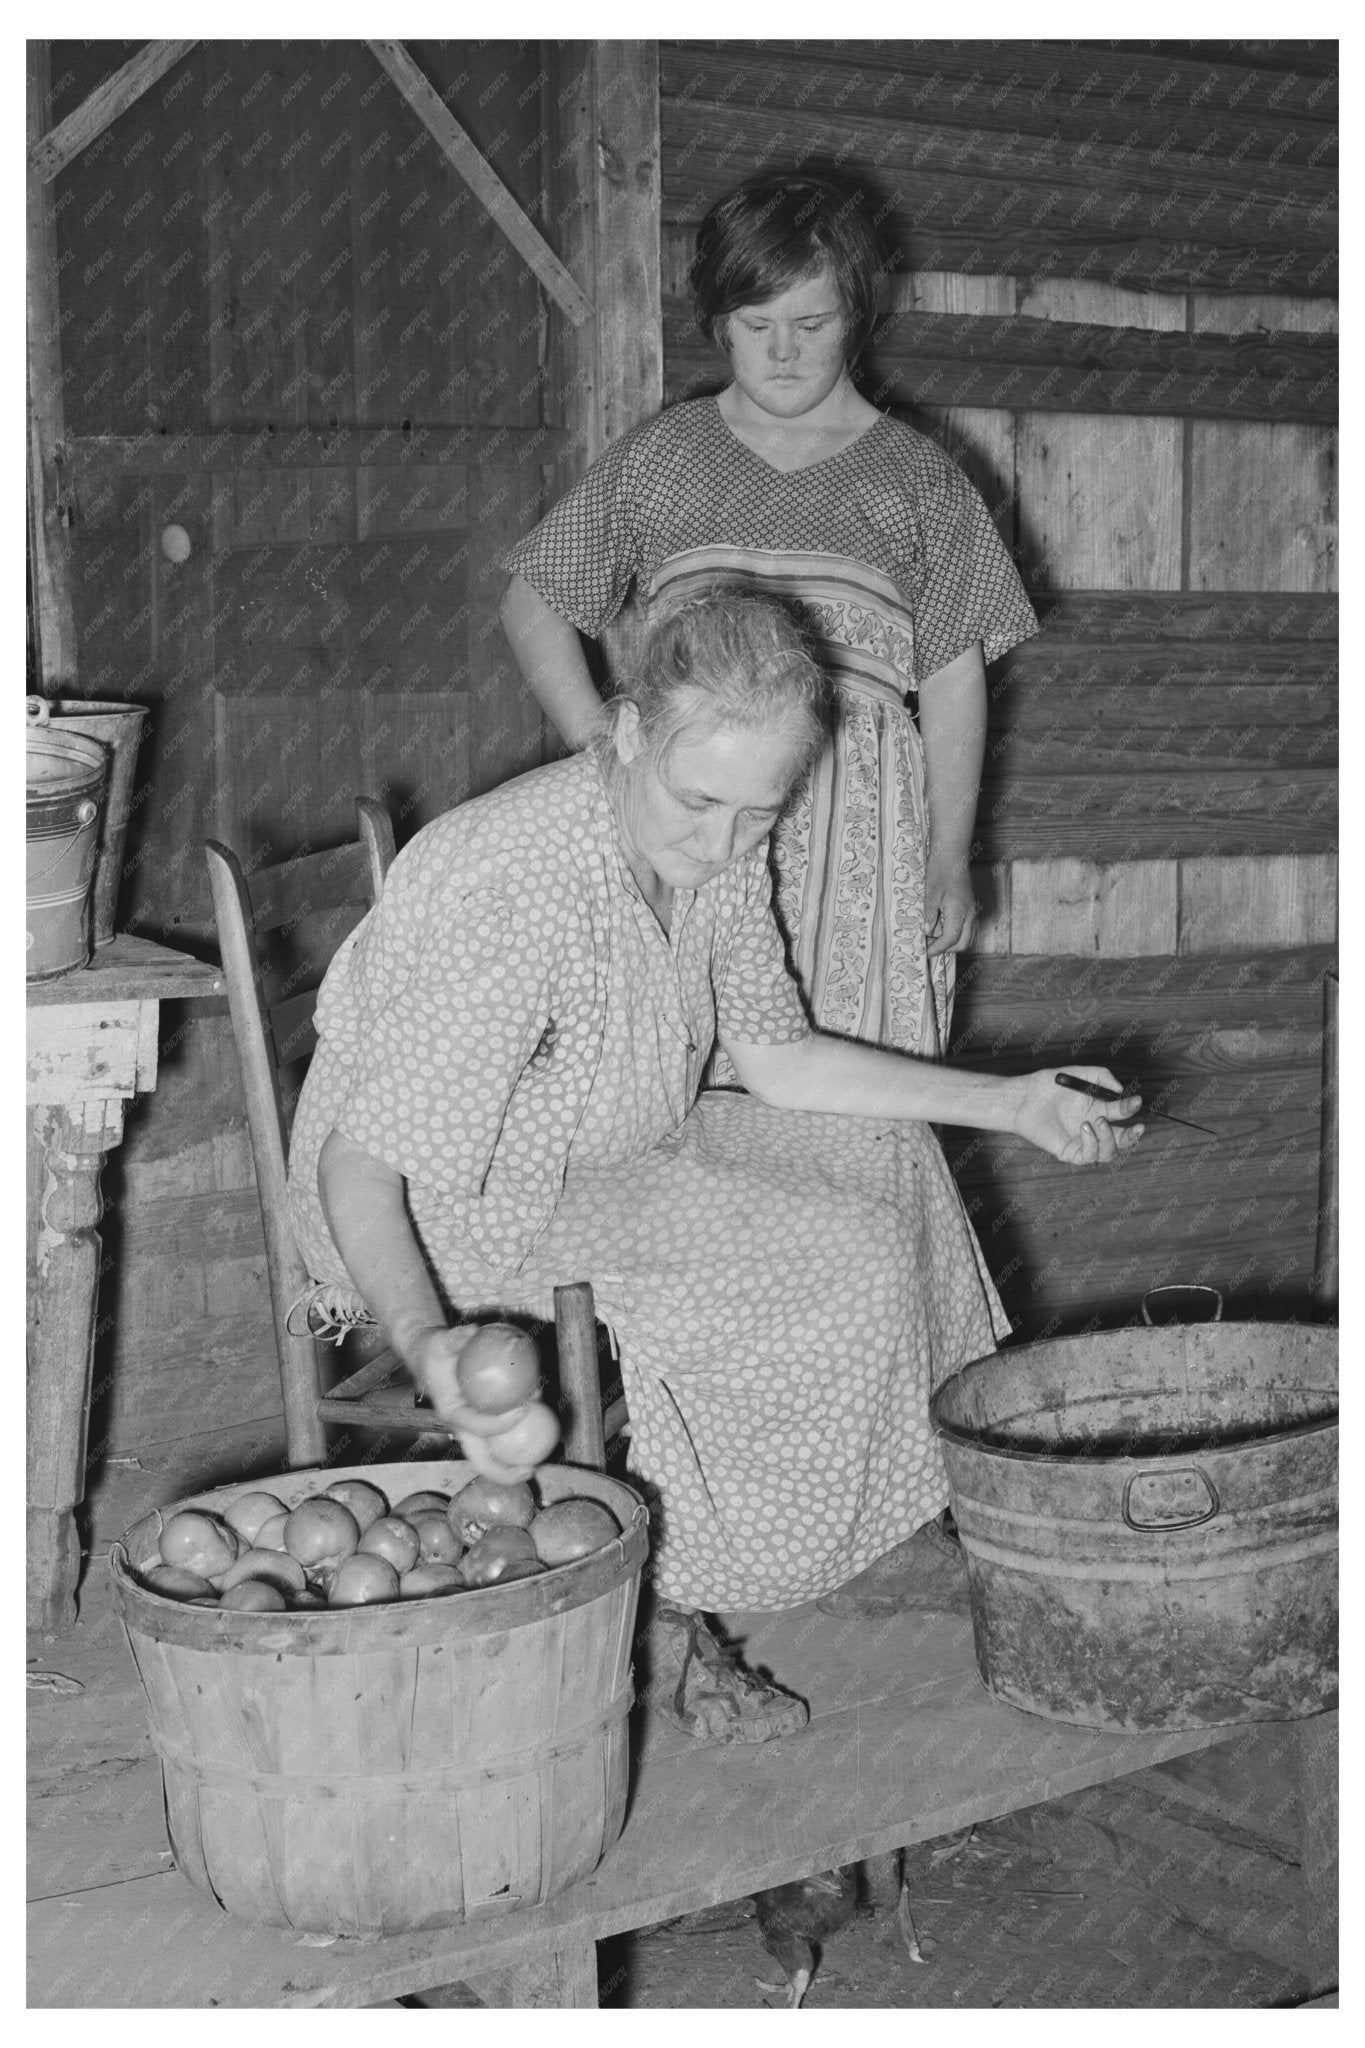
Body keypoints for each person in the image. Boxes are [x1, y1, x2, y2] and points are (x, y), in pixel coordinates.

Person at [288, 589, 1141, 1744]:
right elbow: (362, 1173)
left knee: (889, 1165)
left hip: (602, 1136)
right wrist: (429, 1341)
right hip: (460, 1202)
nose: (724, 843)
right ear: (630, 731)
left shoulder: (720, 839)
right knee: (782, 1282)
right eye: (700, 802)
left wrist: (1011, 1102)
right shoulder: (519, 889)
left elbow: (777, 1055)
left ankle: (880, 1515)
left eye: (760, 810)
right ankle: (667, 1609)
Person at [500, 169, 1038, 1067]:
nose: (782, 352)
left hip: (857, 847)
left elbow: (952, 683)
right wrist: (608, 752)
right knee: (677, 1068)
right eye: (756, 327)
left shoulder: (918, 477)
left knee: (849, 1082)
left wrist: (949, 855)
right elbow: (531, 603)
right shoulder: (666, 454)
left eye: (811, 324)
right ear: (718, 323)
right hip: (690, 825)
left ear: (856, 318)